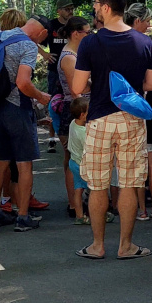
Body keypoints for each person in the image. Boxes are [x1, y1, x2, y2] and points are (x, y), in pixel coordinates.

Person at [70, 0, 152, 260]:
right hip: (132, 119)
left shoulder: (90, 43)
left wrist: (97, 84)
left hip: (99, 118)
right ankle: (126, 246)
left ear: (106, 8)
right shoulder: (145, 42)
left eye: (97, 3)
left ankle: (97, 246)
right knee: (130, 183)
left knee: (98, 185)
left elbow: (77, 87)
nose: (94, 7)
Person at [0, 11, 52, 232]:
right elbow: (23, 82)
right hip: (18, 109)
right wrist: (41, 96)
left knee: (1, 160)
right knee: (24, 164)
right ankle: (22, 216)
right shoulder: (28, 46)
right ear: (41, 32)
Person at [123, 3, 152, 221]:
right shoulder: (146, 45)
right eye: (148, 20)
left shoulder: (117, 41)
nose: (150, 25)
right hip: (145, 106)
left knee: (132, 164)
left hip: (124, 107)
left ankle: (140, 209)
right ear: (138, 20)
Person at [55, 17, 91, 219]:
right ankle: (73, 202)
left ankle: (81, 201)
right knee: (73, 157)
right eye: (87, 32)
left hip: (83, 107)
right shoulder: (69, 57)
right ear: (76, 33)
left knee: (77, 156)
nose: (89, 35)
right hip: (76, 110)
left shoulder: (77, 53)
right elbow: (75, 89)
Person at [46, 0, 75, 152]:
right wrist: (44, 55)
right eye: (66, 9)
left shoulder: (74, 25)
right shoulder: (51, 25)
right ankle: (52, 138)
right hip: (54, 71)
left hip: (72, 68)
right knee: (54, 102)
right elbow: (31, 40)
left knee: (72, 100)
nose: (70, 12)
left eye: (71, 8)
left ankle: (71, 135)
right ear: (59, 10)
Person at [66, 96, 91, 225]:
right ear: (83, 115)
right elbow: (88, 149)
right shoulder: (84, 132)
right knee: (92, 190)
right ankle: (96, 214)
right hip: (83, 164)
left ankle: (79, 215)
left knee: (78, 189)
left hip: (73, 162)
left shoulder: (73, 123)